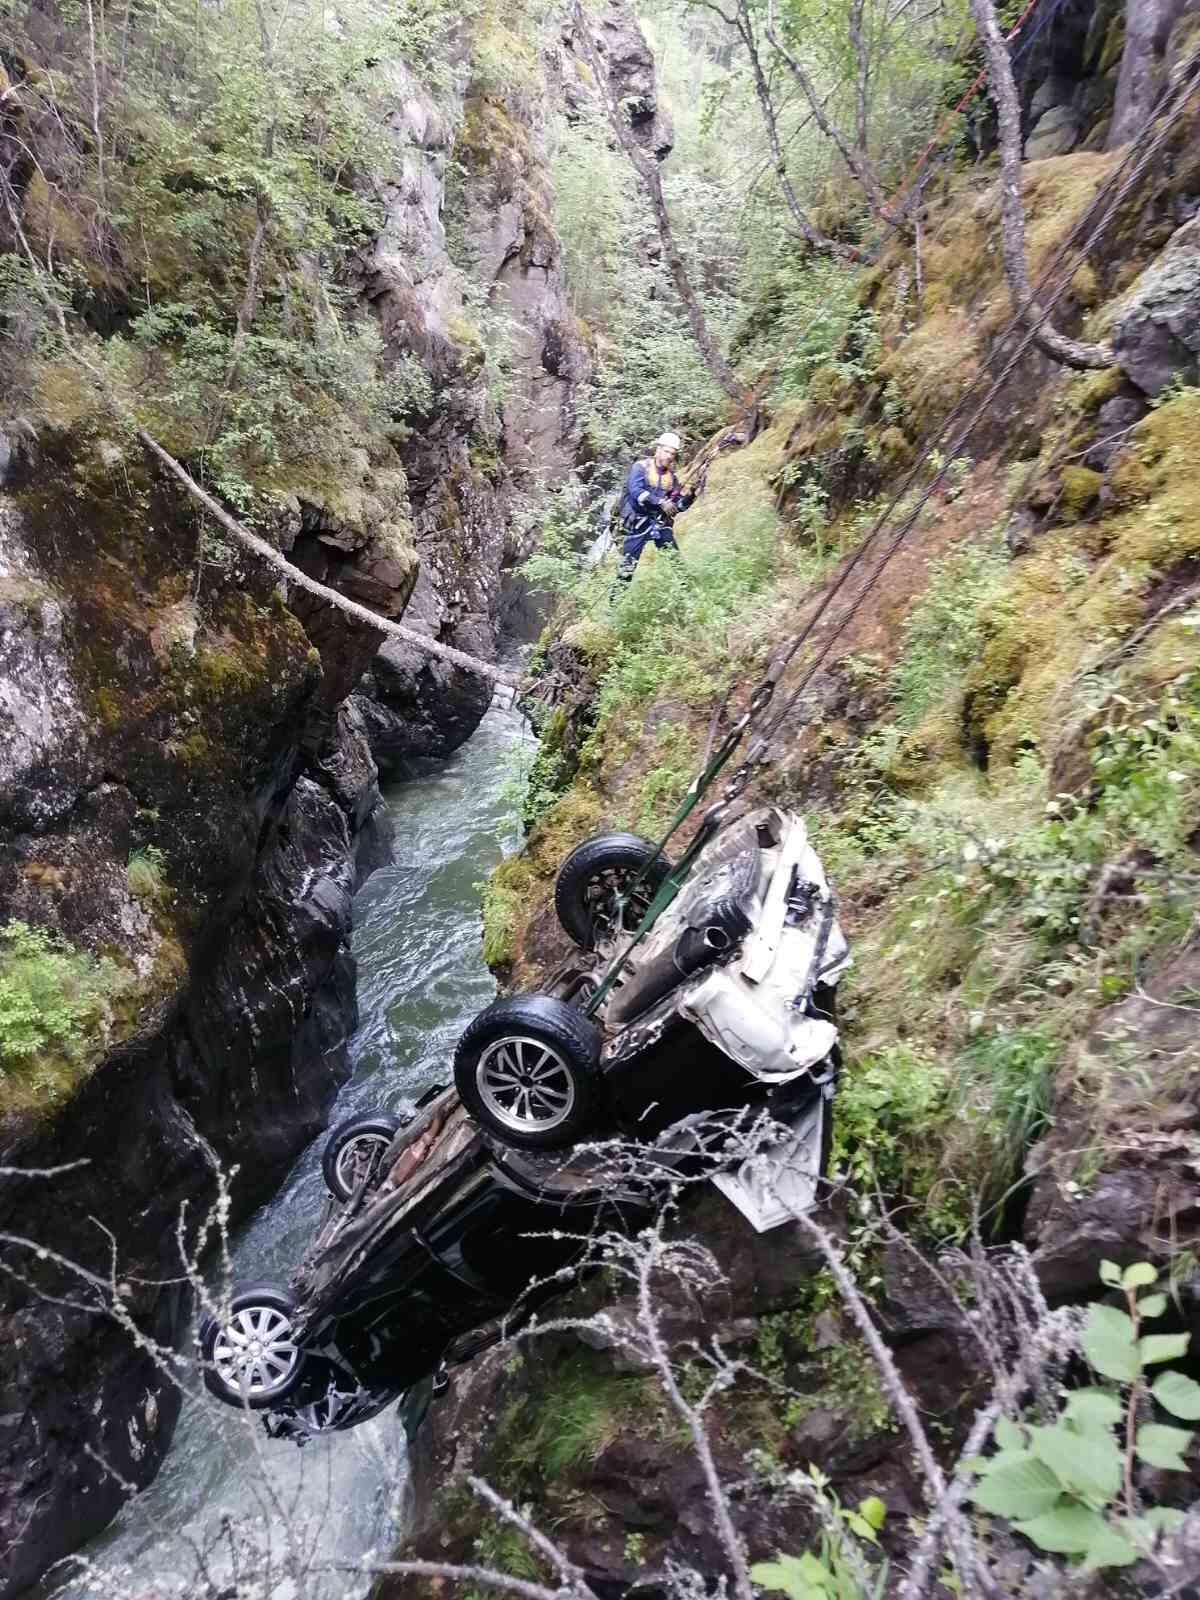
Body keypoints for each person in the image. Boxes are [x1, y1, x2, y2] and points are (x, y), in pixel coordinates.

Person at [616, 431, 695, 582]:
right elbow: (635, 491)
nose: (669, 456)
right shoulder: (640, 468)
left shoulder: (672, 479)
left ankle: (690, 595)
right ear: (658, 449)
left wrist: (689, 498)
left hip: (659, 523)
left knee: (676, 560)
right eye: (666, 451)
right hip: (637, 524)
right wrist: (660, 502)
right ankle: (614, 604)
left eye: (672, 453)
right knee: (627, 569)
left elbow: (676, 507)